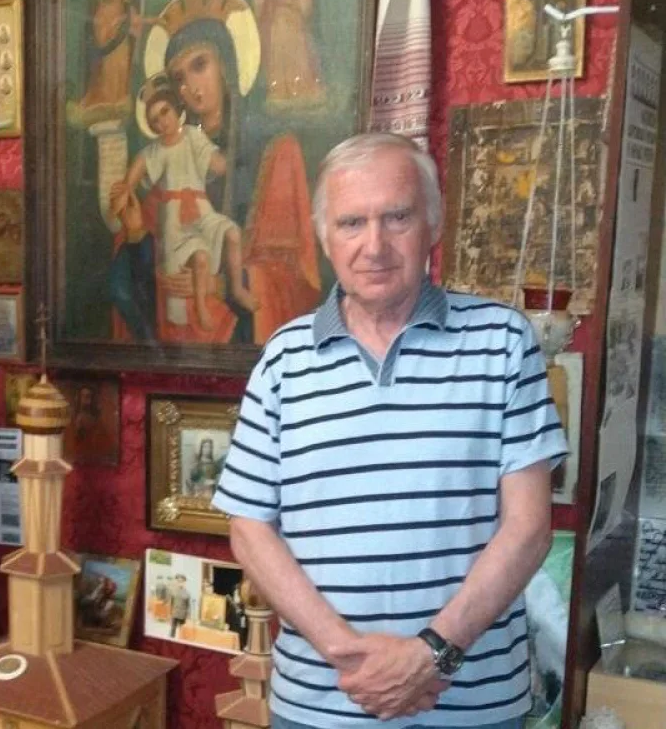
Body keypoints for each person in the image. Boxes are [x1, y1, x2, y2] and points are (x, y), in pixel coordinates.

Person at [212, 133, 567, 728]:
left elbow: (529, 529)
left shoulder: (504, 342)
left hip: (472, 707)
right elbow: (249, 528)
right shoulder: (283, 358)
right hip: (320, 704)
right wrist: (347, 655)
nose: (373, 246)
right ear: (325, 237)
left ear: (433, 225)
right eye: (351, 223)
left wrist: (432, 654)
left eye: (396, 217)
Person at [109, 0, 320, 345]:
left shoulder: (276, 150)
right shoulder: (173, 157)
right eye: (178, 78)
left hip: (242, 345)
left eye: (199, 65)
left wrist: (220, 286)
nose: (190, 86)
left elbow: (293, 279)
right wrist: (135, 234)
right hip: (179, 344)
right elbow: (132, 284)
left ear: (226, 64)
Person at [110, 75, 256, 331]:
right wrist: (126, 188)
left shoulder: (192, 136)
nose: (162, 121)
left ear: (176, 109)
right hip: (176, 219)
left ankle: (236, 288)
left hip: (201, 209)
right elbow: (138, 168)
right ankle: (200, 308)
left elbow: (218, 165)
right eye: (155, 120)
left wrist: (232, 154)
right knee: (200, 258)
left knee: (233, 233)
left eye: (164, 112)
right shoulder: (157, 150)